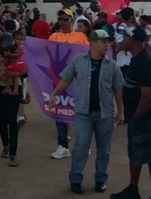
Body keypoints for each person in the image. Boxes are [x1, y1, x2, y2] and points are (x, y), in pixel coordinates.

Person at [48, 29, 124, 194]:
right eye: (103, 41)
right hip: (83, 113)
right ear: (93, 43)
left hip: (105, 114)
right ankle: (75, 179)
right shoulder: (78, 61)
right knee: (81, 146)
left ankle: (101, 179)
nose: (107, 45)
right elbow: (66, 79)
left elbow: (118, 90)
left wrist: (120, 112)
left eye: (108, 42)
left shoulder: (113, 65)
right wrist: (54, 94)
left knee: (104, 149)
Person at [111, 26, 151, 199]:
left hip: (146, 118)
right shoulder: (137, 58)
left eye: (125, 37)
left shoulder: (143, 61)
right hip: (138, 117)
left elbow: (148, 96)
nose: (122, 41)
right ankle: (133, 189)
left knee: (150, 156)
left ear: (132, 40)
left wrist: (137, 116)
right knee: (135, 153)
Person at [48, 8, 89, 160]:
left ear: (72, 21)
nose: (63, 22)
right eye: (60, 19)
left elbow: (88, 55)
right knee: (59, 112)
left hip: (78, 81)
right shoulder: (54, 36)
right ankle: (63, 145)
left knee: (81, 112)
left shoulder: (80, 36)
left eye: (66, 19)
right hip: (59, 81)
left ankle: (83, 143)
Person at [0, 30, 27, 166]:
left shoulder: (16, 48)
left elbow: (25, 68)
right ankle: (5, 146)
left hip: (14, 87)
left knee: (12, 120)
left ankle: (13, 153)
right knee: (2, 119)